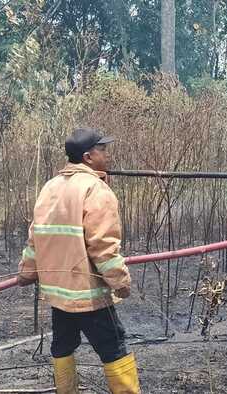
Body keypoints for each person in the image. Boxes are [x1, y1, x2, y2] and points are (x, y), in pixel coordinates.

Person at [17, 127, 140, 394]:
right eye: (102, 150)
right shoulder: (95, 189)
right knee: (115, 347)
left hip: (58, 295)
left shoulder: (50, 187)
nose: (107, 155)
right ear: (87, 157)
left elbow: (35, 237)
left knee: (62, 346)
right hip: (88, 294)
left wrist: (27, 272)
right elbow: (104, 246)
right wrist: (121, 282)